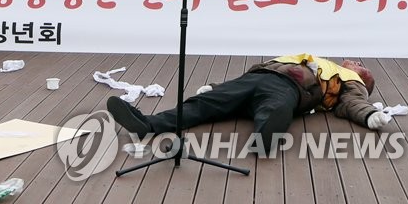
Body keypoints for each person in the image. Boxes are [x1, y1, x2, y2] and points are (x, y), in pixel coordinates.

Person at [106, 54, 391, 155]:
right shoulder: (322, 61)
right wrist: (216, 87)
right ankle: (148, 125)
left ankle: (265, 139)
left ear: (364, 78)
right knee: (204, 102)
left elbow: (353, 102)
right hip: (256, 78)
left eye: (361, 65)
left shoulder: (350, 79)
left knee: (276, 108)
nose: (355, 61)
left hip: (288, 88)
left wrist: (369, 116)